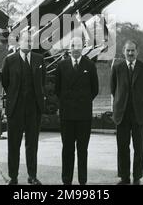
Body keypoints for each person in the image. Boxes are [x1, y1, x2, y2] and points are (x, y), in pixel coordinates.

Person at [1, 30, 46, 185]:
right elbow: (5, 82)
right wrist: (15, 97)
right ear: (19, 42)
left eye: (30, 41)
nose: (28, 43)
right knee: (14, 144)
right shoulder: (10, 60)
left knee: (32, 145)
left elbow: (43, 81)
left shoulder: (39, 59)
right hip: (15, 109)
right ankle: (13, 177)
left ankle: (32, 176)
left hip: (34, 110)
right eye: (25, 40)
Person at [54, 37, 99, 185]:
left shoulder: (90, 66)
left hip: (83, 115)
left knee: (82, 149)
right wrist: (67, 103)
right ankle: (66, 180)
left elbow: (95, 89)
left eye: (78, 46)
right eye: (73, 46)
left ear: (82, 48)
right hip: (67, 115)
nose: (75, 49)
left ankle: (82, 180)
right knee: (67, 149)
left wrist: (83, 102)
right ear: (69, 47)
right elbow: (57, 89)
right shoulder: (61, 66)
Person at [110, 40, 143, 185]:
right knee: (122, 147)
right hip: (121, 114)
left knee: (139, 147)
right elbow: (113, 88)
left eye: (133, 50)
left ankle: (137, 176)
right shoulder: (117, 67)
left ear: (137, 51)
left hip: (139, 114)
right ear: (123, 51)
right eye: (128, 50)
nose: (130, 53)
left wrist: (139, 102)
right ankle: (124, 177)